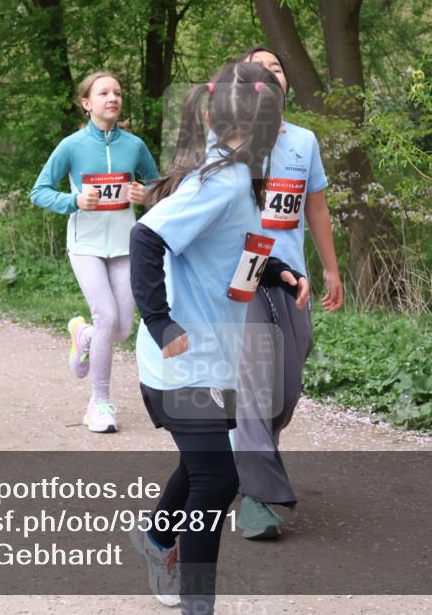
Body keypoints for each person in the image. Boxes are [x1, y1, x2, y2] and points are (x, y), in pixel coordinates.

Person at [128, 61, 310, 615]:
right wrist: (160, 322)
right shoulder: (223, 181)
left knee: (199, 465)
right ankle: (196, 603)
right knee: (217, 477)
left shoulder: (239, 175)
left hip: (212, 357)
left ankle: (156, 539)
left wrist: (277, 270)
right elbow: (145, 238)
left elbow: (234, 250)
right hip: (182, 361)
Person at [231, 46, 344, 540]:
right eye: (259, 68)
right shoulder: (232, 140)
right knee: (258, 375)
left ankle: (247, 452)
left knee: (286, 385)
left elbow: (315, 208)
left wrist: (331, 270)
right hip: (242, 267)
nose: (270, 73)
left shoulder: (304, 141)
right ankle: (256, 497)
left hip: (292, 273)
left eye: (277, 67)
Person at [30, 71, 159, 433]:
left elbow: (158, 186)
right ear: (87, 103)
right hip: (85, 246)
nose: (112, 98)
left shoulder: (134, 146)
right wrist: (74, 201)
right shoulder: (71, 146)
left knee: (121, 327)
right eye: (103, 93)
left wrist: (146, 194)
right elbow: (39, 192)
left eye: (117, 92)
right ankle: (98, 403)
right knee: (106, 316)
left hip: (124, 245)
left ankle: (83, 336)